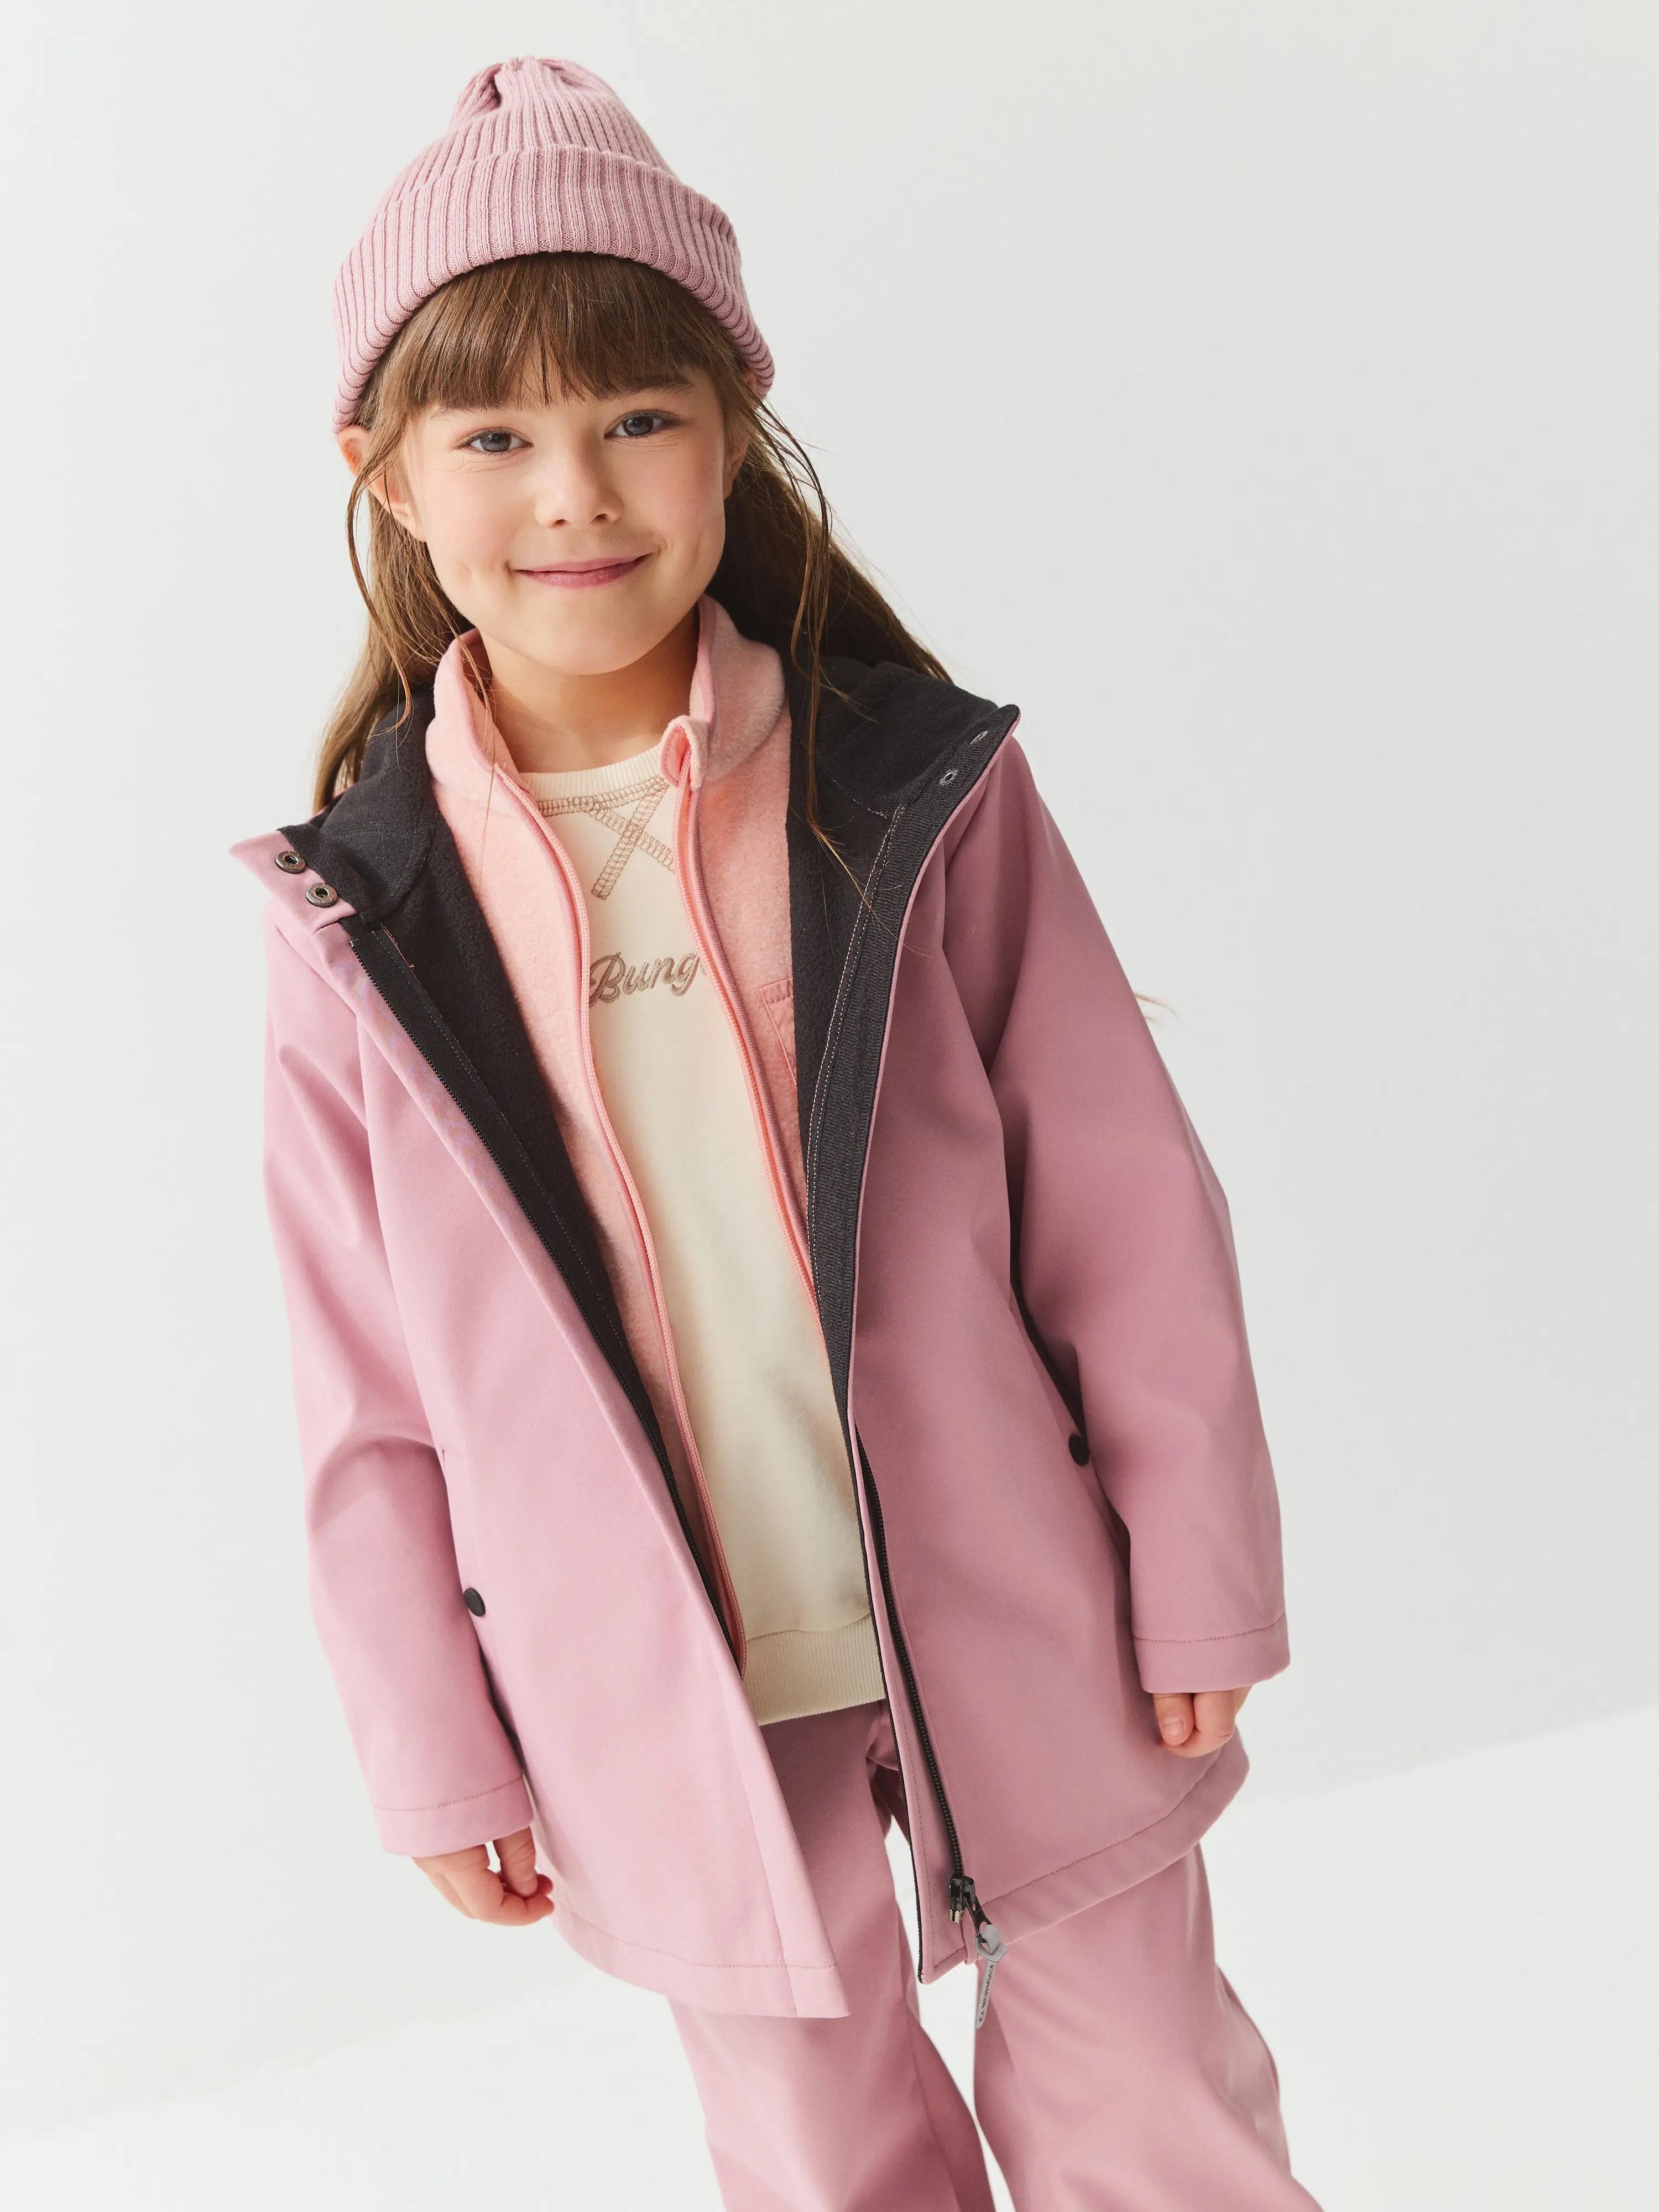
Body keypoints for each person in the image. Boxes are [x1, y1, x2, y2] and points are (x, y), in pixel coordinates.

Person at [238, 53, 1321, 2211]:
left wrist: (1198, 1567)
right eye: (495, 435)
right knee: (824, 2164)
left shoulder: (909, 793)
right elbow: (361, 1391)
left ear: (734, 422)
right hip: (664, 1683)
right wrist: (435, 1736)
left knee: (1155, 2117)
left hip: (1021, 1599)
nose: (576, 491)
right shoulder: (362, 923)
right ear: (383, 471)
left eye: (638, 416)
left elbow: (1125, 1206)